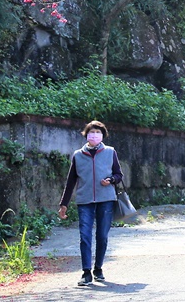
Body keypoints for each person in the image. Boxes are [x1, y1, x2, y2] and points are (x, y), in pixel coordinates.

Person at [58, 120, 124, 287]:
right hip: (85, 200)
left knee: (102, 236)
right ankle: (86, 273)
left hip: (106, 200)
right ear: (86, 135)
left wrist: (110, 180)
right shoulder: (78, 155)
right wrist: (63, 204)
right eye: (91, 132)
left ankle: (98, 269)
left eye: (98, 133)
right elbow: (70, 181)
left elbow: (119, 175)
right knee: (85, 237)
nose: (94, 135)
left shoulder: (110, 152)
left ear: (103, 136)